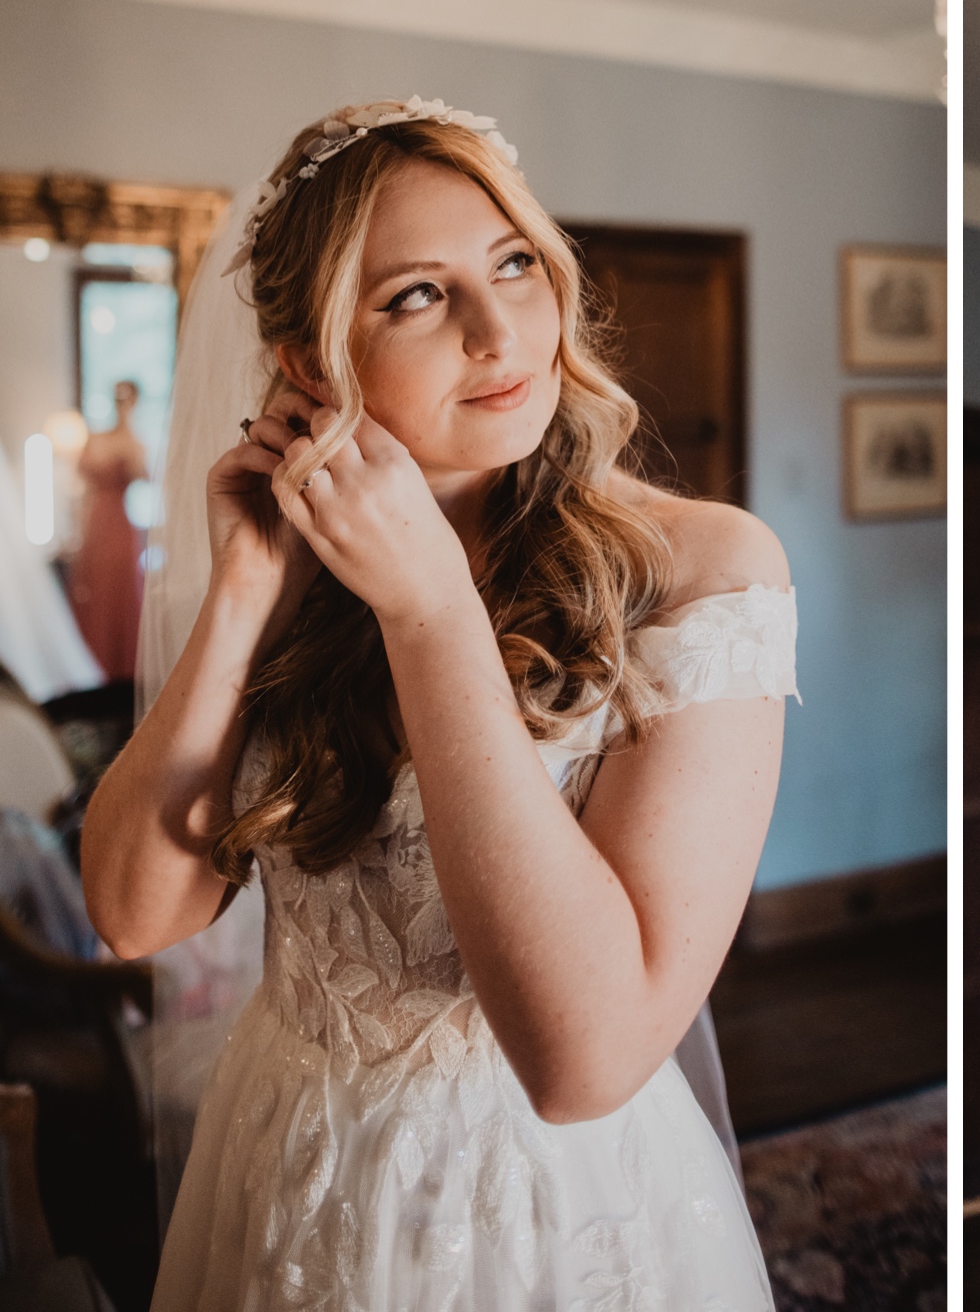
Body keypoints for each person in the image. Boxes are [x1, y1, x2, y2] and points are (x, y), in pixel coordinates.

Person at [80, 99, 792, 1308]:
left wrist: (430, 615)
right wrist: (245, 594)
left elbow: (585, 1062)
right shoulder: (305, 574)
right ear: (312, 363)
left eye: (514, 263)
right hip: (286, 1165)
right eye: (415, 294)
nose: (498, 328)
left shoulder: (704, 572)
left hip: (537, 1208)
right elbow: (134, 916)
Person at [69, 379, 150, 680]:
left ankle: (119, 666)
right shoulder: (95, 437)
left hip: (119, 524)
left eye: (127, 399)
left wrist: (128, 432)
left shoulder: (134, 441)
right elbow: (79, 481)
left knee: (120, 590)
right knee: (93, 588)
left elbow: (144, 475)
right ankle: (90, 663)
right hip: (94, 523)